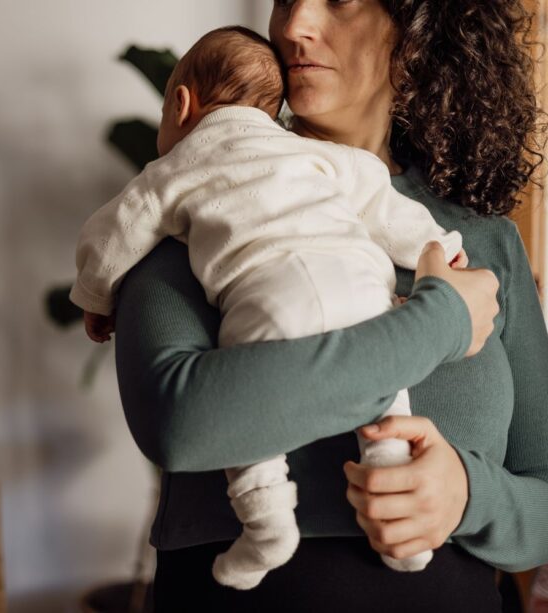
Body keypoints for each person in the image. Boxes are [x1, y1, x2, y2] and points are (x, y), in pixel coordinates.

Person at [111, 1, 547, 611]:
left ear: (419, 24)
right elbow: (179, 425)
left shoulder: (480, 240)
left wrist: (469, 497)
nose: (293, 26)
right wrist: (439, 323)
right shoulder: (202, 195)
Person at [69, 26, 466, 589]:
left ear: (181, 104)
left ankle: (268, 525)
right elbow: (382, 201)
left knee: (251, 414)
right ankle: (396, 507)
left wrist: (95, 296)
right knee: (387, 390)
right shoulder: (318, 155)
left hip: (269, 303)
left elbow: (113, 233)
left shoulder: (174, 170)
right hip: (363, 288)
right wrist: (441, 249)